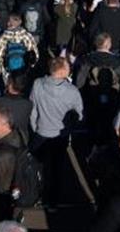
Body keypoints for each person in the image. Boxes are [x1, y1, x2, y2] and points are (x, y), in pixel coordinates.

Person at [30, 56, 84, 204]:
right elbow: (79, 115)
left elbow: (33, 110)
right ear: (62, 70)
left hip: (41, 133)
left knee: (40, 168)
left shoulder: (37, 84)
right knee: (57, 169)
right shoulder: (72, 91)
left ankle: (36, 194)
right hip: (60, 136)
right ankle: (53, 200)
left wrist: (35, 128)